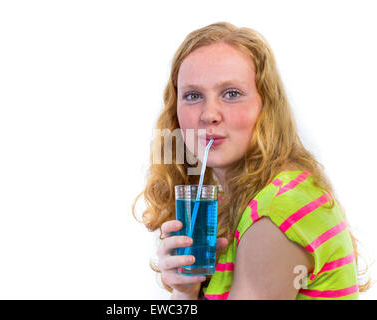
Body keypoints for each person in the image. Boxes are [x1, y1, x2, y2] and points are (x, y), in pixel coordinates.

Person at [132, 22, 371, 300]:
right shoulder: (230, 205)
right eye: (193, 95)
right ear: (176, 112)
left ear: (266, 106)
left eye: (231, 94)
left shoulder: (277, 209)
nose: (209, 114)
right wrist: (186, 290)